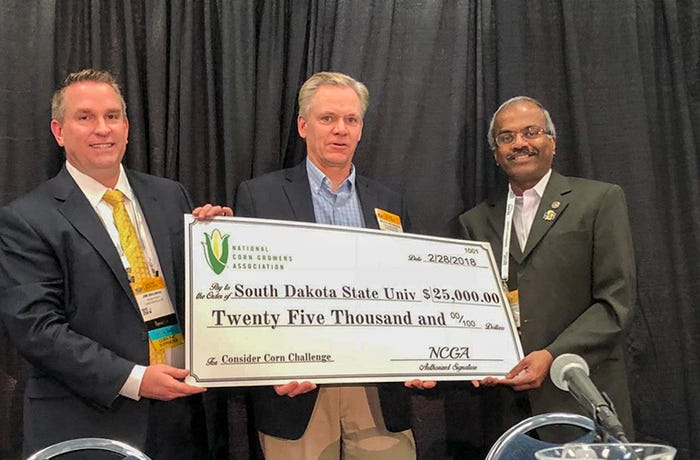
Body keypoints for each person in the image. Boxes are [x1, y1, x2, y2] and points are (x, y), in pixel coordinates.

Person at [0, 69, 231, 459]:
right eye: (85, 117)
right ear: (59, 131)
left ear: (126, 126)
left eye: (111, 116)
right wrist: (135, 379)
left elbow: (198, 292)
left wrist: (220, 245)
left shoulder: (169, 195)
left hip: (180, 417)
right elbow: (36, 329)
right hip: (89, 420)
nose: (102, 129)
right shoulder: (27, 219)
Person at [234, 71, 433, 460]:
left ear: (360, 129)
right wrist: (270, 365)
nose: (340, 130)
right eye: (328, 118)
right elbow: (246, 296)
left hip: (377, 390)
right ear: (303, 125)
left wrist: (419, 354)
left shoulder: (390, 201)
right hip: (298, 391)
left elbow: (411, 291)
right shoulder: (260, 195)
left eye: (351, 120)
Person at [459, 96, 636, 445]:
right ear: (496, 153)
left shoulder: (599, 201)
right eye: (506, 137)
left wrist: (552, 356)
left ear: (552, 143)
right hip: (507, 417)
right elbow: (469, 310)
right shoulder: (474, 222)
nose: (519, 144)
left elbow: (616, 303)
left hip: (581, 404)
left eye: (531, 132)